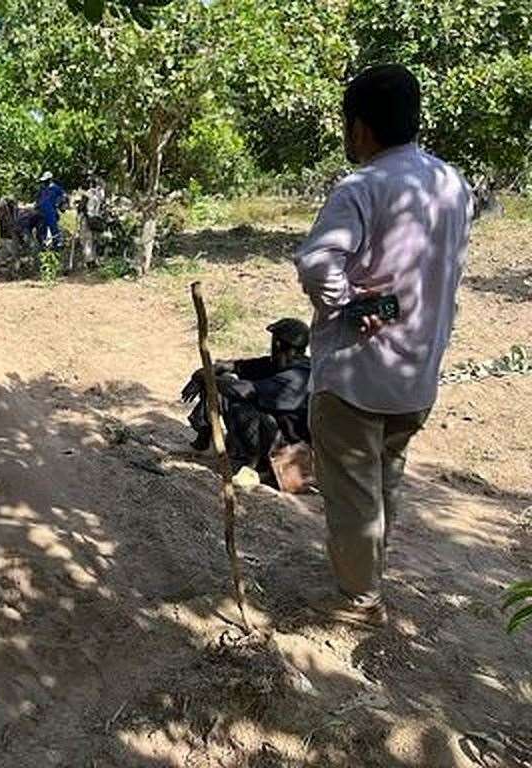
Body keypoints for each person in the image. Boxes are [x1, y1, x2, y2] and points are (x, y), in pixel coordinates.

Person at [295, 64, 473, 627]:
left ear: (362, 128)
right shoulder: (451, 183)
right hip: (417, 369)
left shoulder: (363, 187)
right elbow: (432, 272)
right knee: (385, 478)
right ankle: (367, 576)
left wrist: (347, 301)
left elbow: (318, 263)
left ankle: (356, 600)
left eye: (349, 124)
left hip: (356, 371)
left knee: (352, 492)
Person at [181, 319, 311, 485]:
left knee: (229, 393)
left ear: (277, 343)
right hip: (278, 441)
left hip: (289, 454)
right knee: (222, 382)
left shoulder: (296, 378)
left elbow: (243, 391)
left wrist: (205, 377)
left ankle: (257, 466)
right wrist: (207, 372)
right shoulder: (281, 364)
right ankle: (203, 443)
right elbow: (234, 366)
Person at [35, 171, 67, 250]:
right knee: (41, 228)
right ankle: (43, 244)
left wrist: (60, 204)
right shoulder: (42, 189)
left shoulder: (56, 188)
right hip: (41, 211)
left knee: (53, 227)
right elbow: (38, 199)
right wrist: (36, 205)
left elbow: (64, 197)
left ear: (50, 179)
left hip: (51, 211)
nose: (44, 182)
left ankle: (57, 243)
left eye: (46, 181)